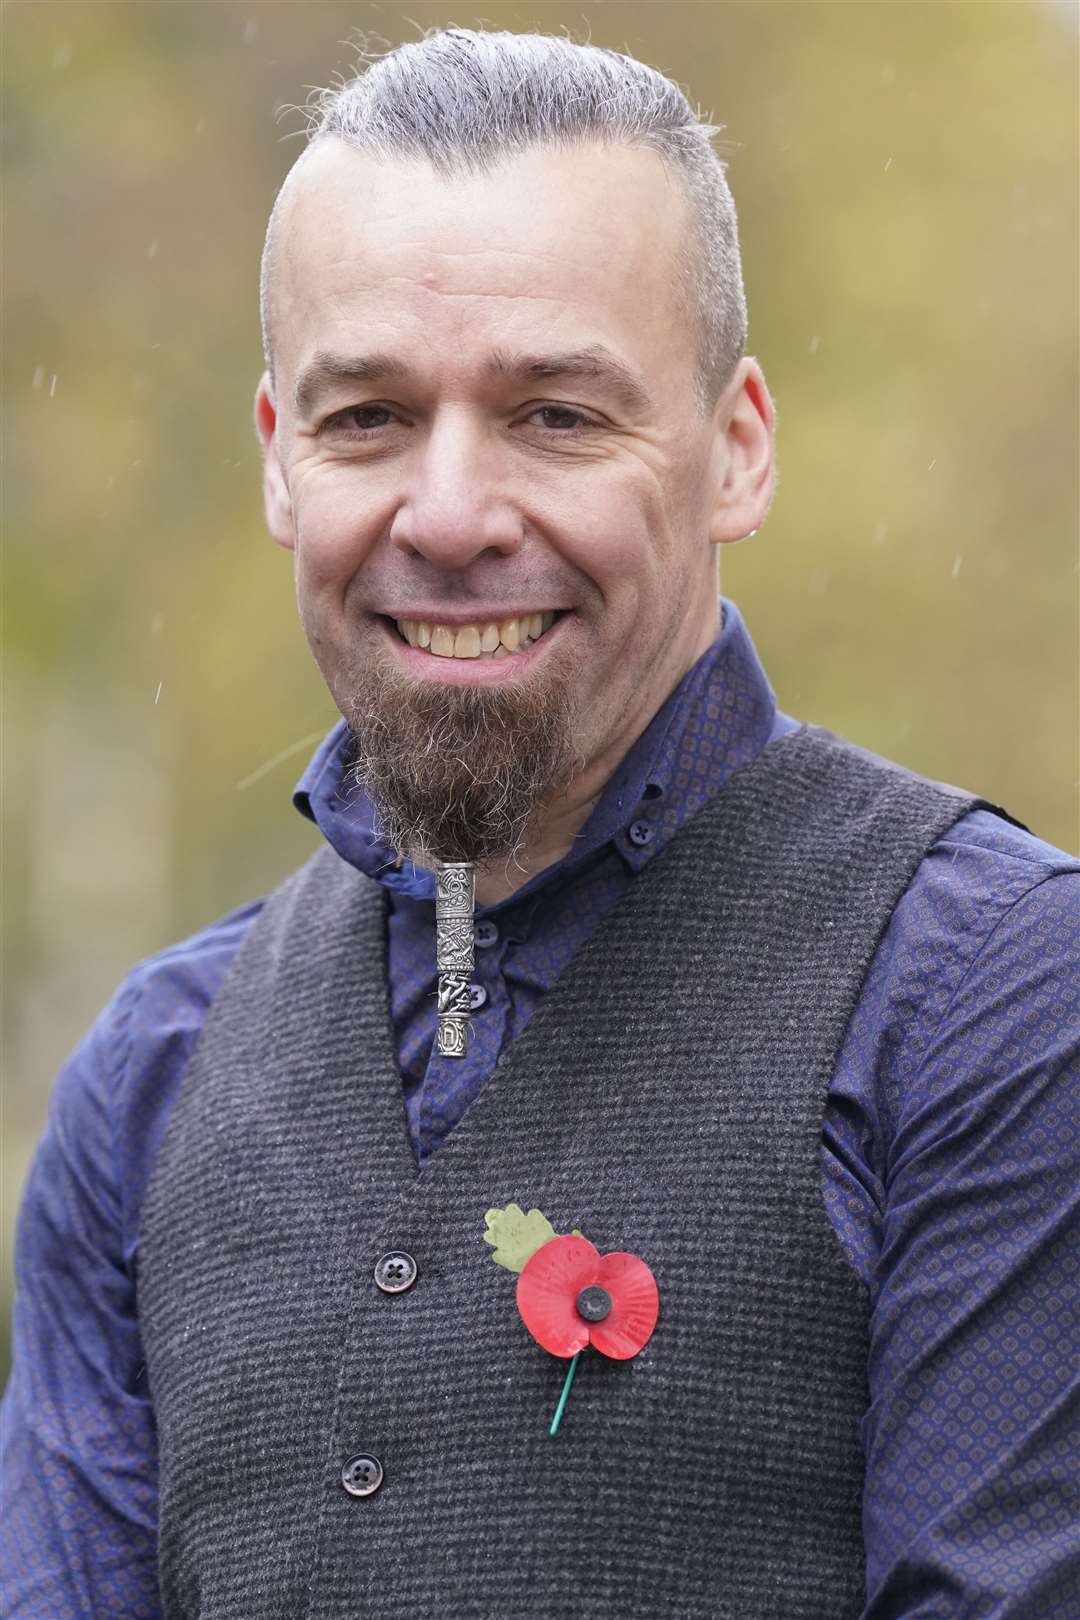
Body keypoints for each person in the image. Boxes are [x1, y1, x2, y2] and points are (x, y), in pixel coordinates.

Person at [2, 27, 1077, 1620]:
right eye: (365, 415)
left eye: (557, 415)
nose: (448, 514)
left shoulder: (994, 996)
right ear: (280, 466)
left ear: (738, 447)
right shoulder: (145, 1084)